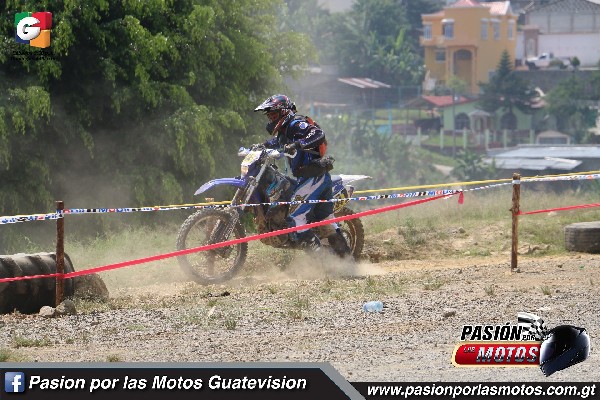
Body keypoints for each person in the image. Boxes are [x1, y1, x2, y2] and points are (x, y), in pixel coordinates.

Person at [254, 94, 350, 256]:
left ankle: (323, 262)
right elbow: (275, 143)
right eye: (269, 116)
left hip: (313, 178)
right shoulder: (284, 132)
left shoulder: (296, 124)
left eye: (274, 115)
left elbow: (318, 134)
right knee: (327, 222)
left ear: (284, 112)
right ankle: (347, 262)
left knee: (295, 218)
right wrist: (260, 146)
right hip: (315, 178)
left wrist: (298, 144)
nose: (271, 119)